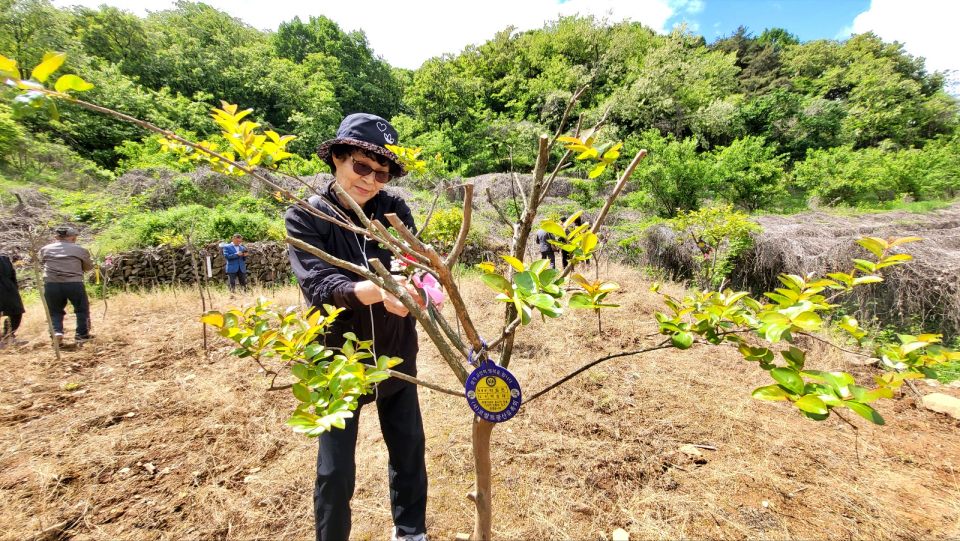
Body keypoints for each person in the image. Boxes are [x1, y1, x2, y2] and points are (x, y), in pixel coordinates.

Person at [285, 113, 429, 541]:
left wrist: (414, 290)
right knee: (335, 469)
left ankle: (411, 532)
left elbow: (412, 262)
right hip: (336, 359)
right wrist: (378, 291)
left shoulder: (393, 209)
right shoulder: (306, 216)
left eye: (380, 172)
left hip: (396, 350)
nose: (370, 180)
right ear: (337, 158)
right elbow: (320, 285)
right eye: (360, 167)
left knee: (408, 451)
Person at [39, 226, 93, 344]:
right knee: (81, 309)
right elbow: (88, 267)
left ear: (56, 237)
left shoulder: (45, 249)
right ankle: (81, 335)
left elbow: (42, 263)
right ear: (73, 238)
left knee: (54, 311)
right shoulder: (80, 250)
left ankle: (57, 332)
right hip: (73, 283)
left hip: (51, 284)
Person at [0, 253, 26, 347]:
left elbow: (12, 275)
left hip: (8, 289)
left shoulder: (4, 258)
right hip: (7, 288)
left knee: (16, 312)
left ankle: (8, 336)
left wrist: (14, 289)